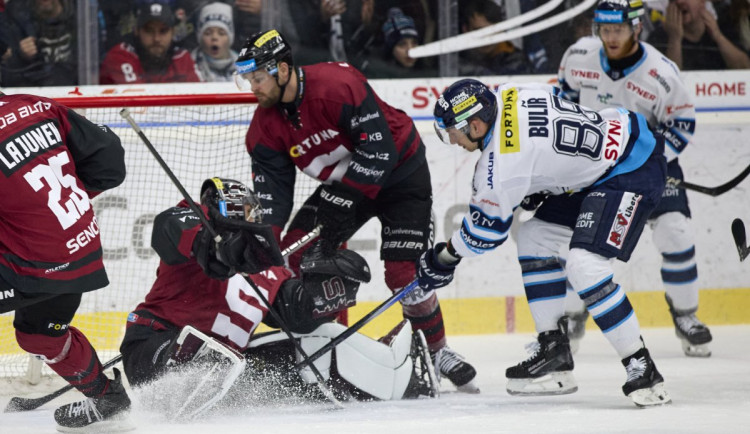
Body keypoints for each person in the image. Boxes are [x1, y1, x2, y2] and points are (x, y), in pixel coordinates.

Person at [234, 29, 479, 393]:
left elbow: (380, 152)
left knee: (402, 274)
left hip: (401, 173)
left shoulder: (338, 85)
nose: (252, 87)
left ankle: (438, 351)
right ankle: (331, 343)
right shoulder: (264, 130)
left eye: (257, 78)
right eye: (248, 79)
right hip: (346, 185)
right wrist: (261, 252)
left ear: (282, 70)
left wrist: (344, 201)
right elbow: (274, 203)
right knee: (296, 256)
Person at [417, 78, 672, 407]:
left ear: (476, 125)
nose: (452, 140)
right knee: (534, 236)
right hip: (610, 147)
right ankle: (554, 353)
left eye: (452, 131)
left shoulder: (500, 167)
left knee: (585, 266)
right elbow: (558, 100)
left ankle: (642, 367)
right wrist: (546, 174)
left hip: (631, 167)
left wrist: (445, 257)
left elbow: (486, 232)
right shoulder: (513, 91)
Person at [119, 177, 436, 411]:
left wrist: (323, 287)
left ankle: (396, 374)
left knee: (322, 339)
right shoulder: (194, 219)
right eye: (238, 210)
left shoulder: (270, 270)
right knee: (201, 352)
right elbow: (166, 230)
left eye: (250, 212)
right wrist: (213, 246)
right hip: (155, 345)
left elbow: (296, 314)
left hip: (224, 371)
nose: (249, 218)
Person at [557, 0, 712, 357]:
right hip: (593, 165)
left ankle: (686, 316)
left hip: (650, 164)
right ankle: (571, 316)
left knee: (675, 230)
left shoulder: (661, 72)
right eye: (605, 29)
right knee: (573, 236)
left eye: (619, 29)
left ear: (636, 27)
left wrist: (650, 160)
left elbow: (682, 124)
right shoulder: (579, 56)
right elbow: (563, 100)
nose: (611, 37)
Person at [0, 92, 131, 430]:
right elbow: (110, 163)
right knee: (37, 336)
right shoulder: (38, 106)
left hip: (34, 263)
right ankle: (107, 396)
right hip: (81, 252)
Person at [100, 2, 201, 84]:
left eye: (163, 31)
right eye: (149, 31)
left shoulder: (183, 59)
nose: (156, 39)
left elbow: (199, 98)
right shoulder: (119, 56)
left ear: (173, 32)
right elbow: (136, 100)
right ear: (137, 31)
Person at [647, 0, 750, 69]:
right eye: (673, 0)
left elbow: (745, 68)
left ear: (702, 2)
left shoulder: (725, 27)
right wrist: (674, 40)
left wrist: (718, 37)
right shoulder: (658, 37)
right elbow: (667, 83)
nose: (679, 2)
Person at [2, 0, 78, 86]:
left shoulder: (83, 12)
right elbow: (8, 76)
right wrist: (21, 56)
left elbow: (92, 68)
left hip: (80, 92)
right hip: (34, 93)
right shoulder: (15, 18)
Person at [458, 0, 534, 76]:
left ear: (501, 30)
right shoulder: (454, 61)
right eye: (479, 31)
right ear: (466, 29)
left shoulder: (516, 60)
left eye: (492, 31)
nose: (486, 38)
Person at [191, 2, 237, 82]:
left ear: (230, 37)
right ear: (200, 37)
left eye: (221, 33)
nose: (214, 37)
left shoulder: (244, 66)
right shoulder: (189, 65)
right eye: (208, 33)